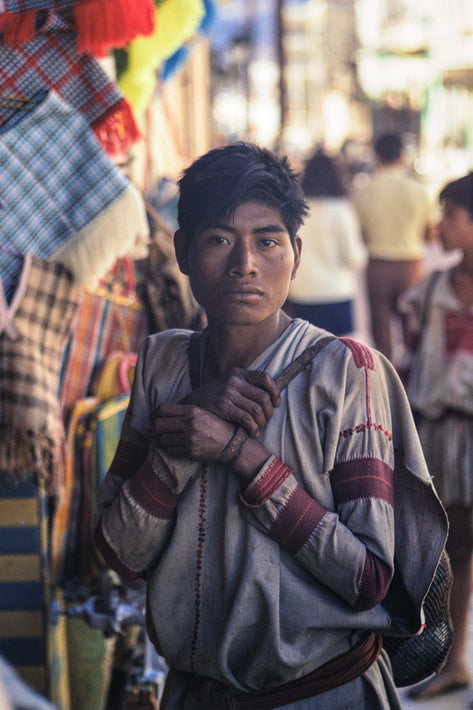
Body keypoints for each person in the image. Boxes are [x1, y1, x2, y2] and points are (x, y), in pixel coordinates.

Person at [95, 142, 447, 709]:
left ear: (296, 253)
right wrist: (182, 442)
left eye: (268, 241)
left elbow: (368, 581)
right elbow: (120, 555)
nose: (245, 264)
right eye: (218, 239)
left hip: (324, 694)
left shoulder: (346, 372)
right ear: (182, 251)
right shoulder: (162, 365)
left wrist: (243, 455)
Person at [399, 171, 473, 701]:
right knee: (455, 547)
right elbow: (408, 356)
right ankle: (453, 659)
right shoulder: (430, 290)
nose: (440, 224)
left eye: (450, 213)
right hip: (444, 437)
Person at [352, 132, 434, 364]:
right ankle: (414, 377)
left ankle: (387, 378)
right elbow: (429, 234)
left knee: (380, 327)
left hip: (378, 265)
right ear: (402, 154)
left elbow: (360, 233)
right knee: (413, 326)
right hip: (412, 266)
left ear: (376, 155)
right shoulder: (420, 190)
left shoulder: (364, 191)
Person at [286, 148, 367, 336]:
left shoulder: (296, 212)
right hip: (336, 293)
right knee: (339, 358)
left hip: (301, 293)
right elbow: (354, 258)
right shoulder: (341, 210)